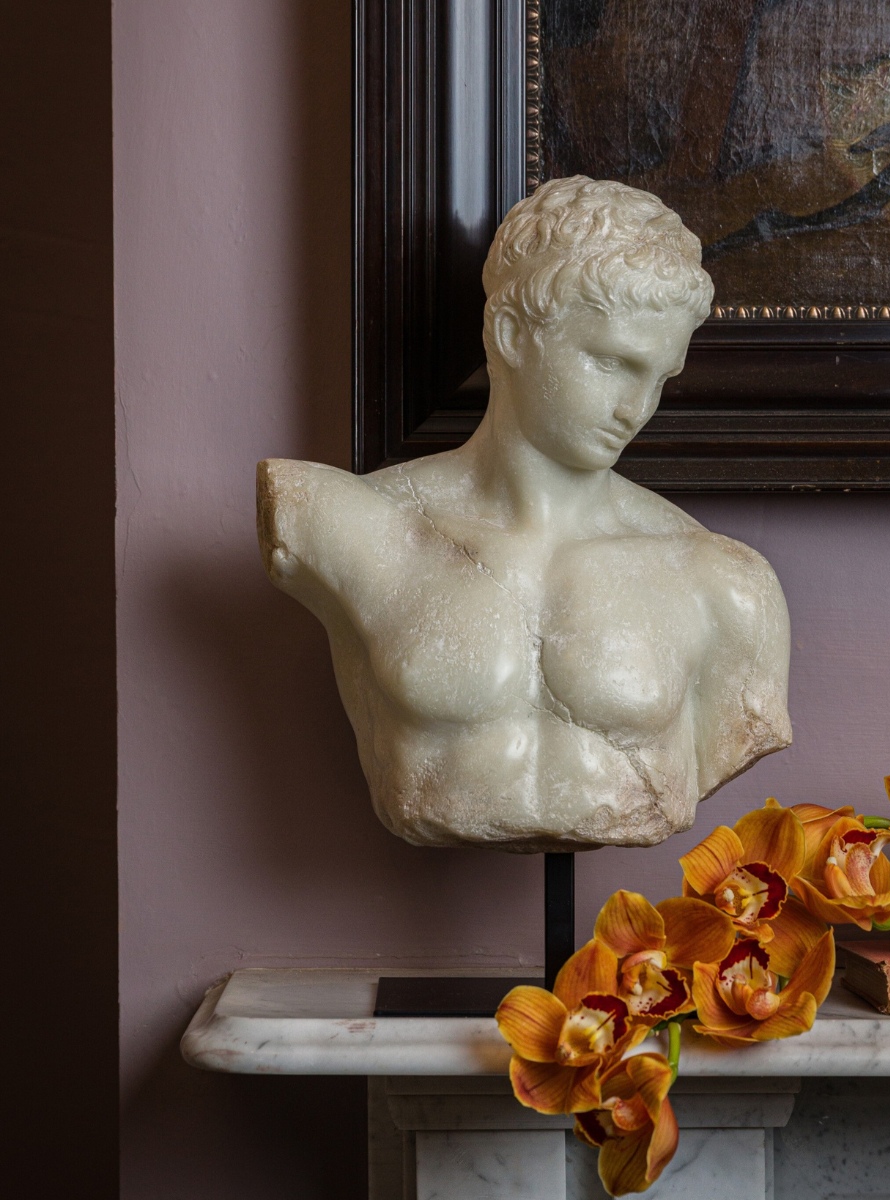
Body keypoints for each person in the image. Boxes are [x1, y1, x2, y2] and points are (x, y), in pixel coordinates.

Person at [258, 176, 790, 851]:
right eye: (612, 363)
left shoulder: (724, 582)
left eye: (659, 378)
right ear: (511, 333)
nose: (637, 408)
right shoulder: (341, 519)